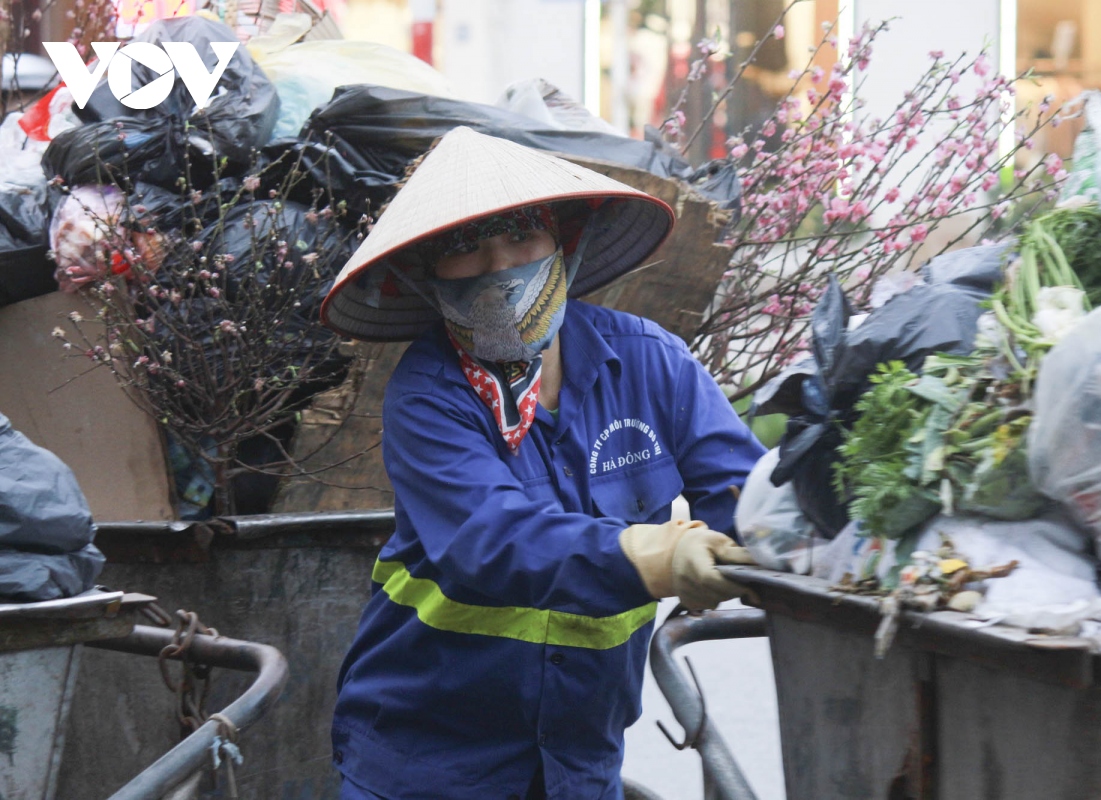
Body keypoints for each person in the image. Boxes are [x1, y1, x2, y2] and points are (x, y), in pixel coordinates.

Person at [320, 127, 766, 800]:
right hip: (426, 763)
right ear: (429, 275)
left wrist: (797, 542)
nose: (500, 268)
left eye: (520, 238)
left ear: (565, 244)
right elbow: (489, 538)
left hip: (578, 762)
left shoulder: (649, 363)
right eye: (464, 250)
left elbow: (745, 493)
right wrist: (648, 557)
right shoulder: (429, 394)